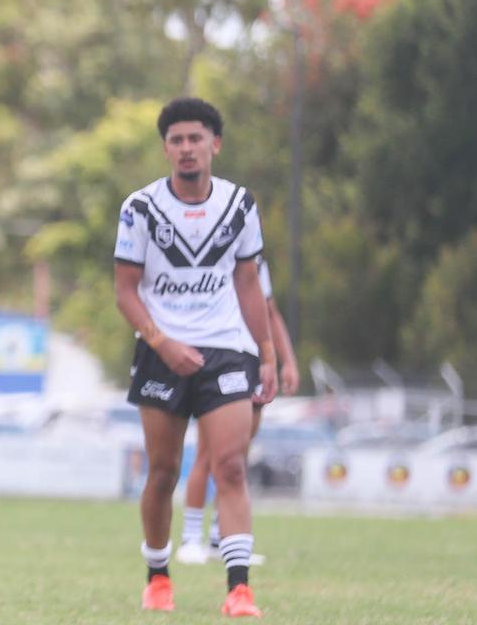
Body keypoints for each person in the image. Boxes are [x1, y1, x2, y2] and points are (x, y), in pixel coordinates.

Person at [113, 97, 277, 617]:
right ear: (166, 148)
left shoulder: (241, 205)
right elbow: (124, 291)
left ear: (215, 144)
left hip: (227, 351)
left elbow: (250, 284)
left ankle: (239, 589)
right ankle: (158, 575)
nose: (187, 148)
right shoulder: (140, 208)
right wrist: (162, 341)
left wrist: (267, 354)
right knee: (163, 472)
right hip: (162, 352)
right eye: (177, 140)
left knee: (230, 465)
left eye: (196, 138)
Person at [177, 256, 300, 566]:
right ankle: (191, 538)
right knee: (208, 453)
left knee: (237, 455)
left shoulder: (256, 260)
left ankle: (223, 537)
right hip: (218, 357)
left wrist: (287, 360)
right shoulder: (207, 251)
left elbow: (269, 312)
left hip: (251, 359)